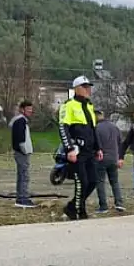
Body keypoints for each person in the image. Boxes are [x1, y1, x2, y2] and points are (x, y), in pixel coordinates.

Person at [58, 76, 101, 220]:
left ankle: (72, 206)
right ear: (76, 89)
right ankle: (78, 212)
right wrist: (69, 149)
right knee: (81, 183)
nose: (88, 89)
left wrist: (98, 148)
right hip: (77, 151)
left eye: (89, 87)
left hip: (89, 151)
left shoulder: (89, 106)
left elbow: (93, 129)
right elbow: (63, 128)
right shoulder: (68, 105)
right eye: (85, 87)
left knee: (93, 181)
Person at [93, 114, 124, 213]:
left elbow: (95, 143)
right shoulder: (114, 127)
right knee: (114, 181)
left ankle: (103, 206)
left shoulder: (96, 128)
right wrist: (119, 157)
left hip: (101, 158)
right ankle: (119, 203)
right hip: (113, 157)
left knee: (100, 182)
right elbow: (120, 142)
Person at [10, 101, 36, 209]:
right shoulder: (20, 121)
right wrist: (26, 151)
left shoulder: (22, 121)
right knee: (24, 176)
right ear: (22, 109)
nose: (30, 111)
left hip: (21, 152)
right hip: (21, 153)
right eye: (28, 109)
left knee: (22, 175)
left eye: (31, 109)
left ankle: (21, 197)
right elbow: (21, 140)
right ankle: (22, 198)